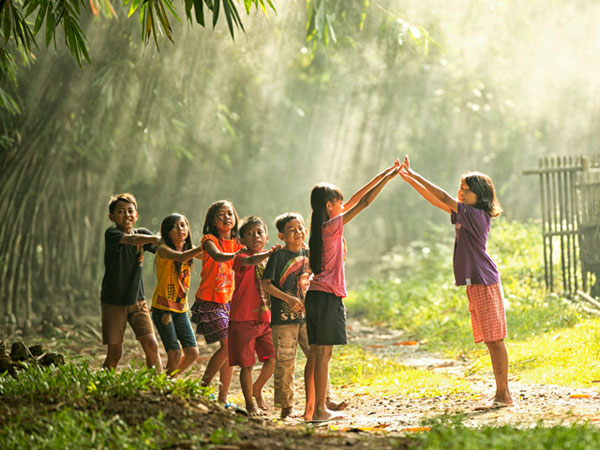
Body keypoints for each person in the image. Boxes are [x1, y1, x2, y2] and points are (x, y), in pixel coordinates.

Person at [398, 155, 513, 407]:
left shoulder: (476, 215)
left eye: (466, 189)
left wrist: (415, 175)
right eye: (460, 188)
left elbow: (441, 198)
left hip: (485, 281)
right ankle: (502, 393)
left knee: (495, 340)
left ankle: (504, 394)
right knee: (491, 341)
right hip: (478, 282)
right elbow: (436, 200)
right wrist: (410, 179)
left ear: (480, 195)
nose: (461, 193)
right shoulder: (468, 213)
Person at [305, 160, 400, 423]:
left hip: (315, 295)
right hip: (326, 296)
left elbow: (357, 198)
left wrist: (382, 174)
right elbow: (364, 203)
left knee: (318, 354)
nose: (342, 207)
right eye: (338, 203)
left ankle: (316, 407)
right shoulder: (331, 227)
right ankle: (319, 411)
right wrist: (386, 181)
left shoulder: (321, 227)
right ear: (329, 206)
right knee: (323, 356)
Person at [262, 212, 346, 420]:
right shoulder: (279, 255)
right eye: (291, 230)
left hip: (308, 317)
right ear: (282, 236)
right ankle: (286, 404)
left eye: (300, 228)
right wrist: (288, 299)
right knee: (285, 360)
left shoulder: (311, 254)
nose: (297, 233)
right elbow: (266, 284)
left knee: (318, 357)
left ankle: (324, 399)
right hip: (283, 320)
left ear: (306, 231)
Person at [100, 193, 162, 372]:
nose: (126, 215)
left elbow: (162, 249)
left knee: (152, 345)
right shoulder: (112, 234)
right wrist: (154, 239)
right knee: (115, 353)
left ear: (136, 215)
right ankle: (104, 387)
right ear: (112, 217)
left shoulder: (142, 233)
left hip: (138, 301)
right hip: (113, 302)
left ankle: (158, 385)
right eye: (121, 211)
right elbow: (133, 240)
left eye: (130, 211)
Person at [190, 200, 243, 405]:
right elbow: (217, 256)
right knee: (228, 347)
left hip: (228, 303)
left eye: (230, 213)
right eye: (221, 214)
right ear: (212, 221)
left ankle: (222, 398)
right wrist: (238, 255)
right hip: (209, 302)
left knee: (229, 350)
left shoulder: (238, 242)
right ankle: (201, 388)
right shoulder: (208, 239)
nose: (226, 218)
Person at [228, 216, 277, 416]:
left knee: (274, 357)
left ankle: (257, 388)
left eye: (259, 232)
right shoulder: (240, 257)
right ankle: (250, 404)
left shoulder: (269, 259)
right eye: (250, 234)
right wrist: (268, 254)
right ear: (242, 241)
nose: (255, 236)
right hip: (243, 319)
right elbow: (251, 260)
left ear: (266, 237)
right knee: (247, 365)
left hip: (266, 318)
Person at [151, 214, 203, 377]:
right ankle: (165, 387)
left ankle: (166, 381)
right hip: (163, 309)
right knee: (174, 354)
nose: (180, 229)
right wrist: (205, 245)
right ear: (167, 232)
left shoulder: (190, 250)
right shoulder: (163, 249)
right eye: (175, 226)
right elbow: (181, 257)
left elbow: (212, 257)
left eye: (183, 225)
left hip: (181, 310)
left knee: (192, 353)